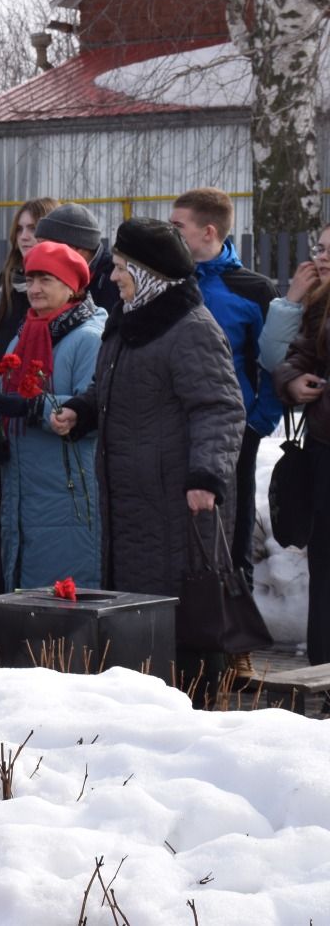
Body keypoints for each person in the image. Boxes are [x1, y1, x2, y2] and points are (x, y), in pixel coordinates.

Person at [53, 218, 245, 696]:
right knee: (134, 617)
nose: (113, 276)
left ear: (149, 272)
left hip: (177, 506)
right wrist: (82, 410)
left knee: (180, 621)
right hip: (130, 502)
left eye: (121, 267)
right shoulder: (129, 321)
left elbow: (220, 407)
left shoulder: (190, 328)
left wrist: (206, 474)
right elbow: (113, 386)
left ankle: (194, 708)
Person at [168, 189, 283, 620]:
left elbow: (270, 363)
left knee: (232, 531)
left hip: (234, 431)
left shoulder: (253, 290)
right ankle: (188, 627)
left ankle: (236, 633)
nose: (171, 232)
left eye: (178, 226)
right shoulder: (171, 282)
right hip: (174, 426)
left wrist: (257, 423)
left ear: (208, 231)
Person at [0, 242, 105, 590]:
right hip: (21, 490)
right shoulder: (24, 333)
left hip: (67, 496)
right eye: (30, 279)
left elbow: (95, 412)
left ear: (71, 286)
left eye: (45, 280)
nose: (33, 289)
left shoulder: (89, 339)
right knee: (27, 597)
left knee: (63, 597)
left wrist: (35, 408)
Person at [274, 227, 330, 665]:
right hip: (323, 451)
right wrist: (292, 380)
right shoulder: (322, 303)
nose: (321, 256)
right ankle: (325, 675)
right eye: (320, 247)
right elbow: (298, 353)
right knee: (325, 570)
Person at [0, 197, 54, 399]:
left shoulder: (62, 289)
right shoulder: (4, 282)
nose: (24, 237)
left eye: (33, 228)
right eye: (19, 229)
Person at [263, 224, 330, 372]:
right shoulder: (314, 302)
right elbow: (273, 361)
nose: (323, 257)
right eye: (320, 249)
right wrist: (290, 302)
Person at [35, 203, 118, 310]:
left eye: (47, 248)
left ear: (76, 249)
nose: (38, 254)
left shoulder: (116, 280)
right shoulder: (37, 279)